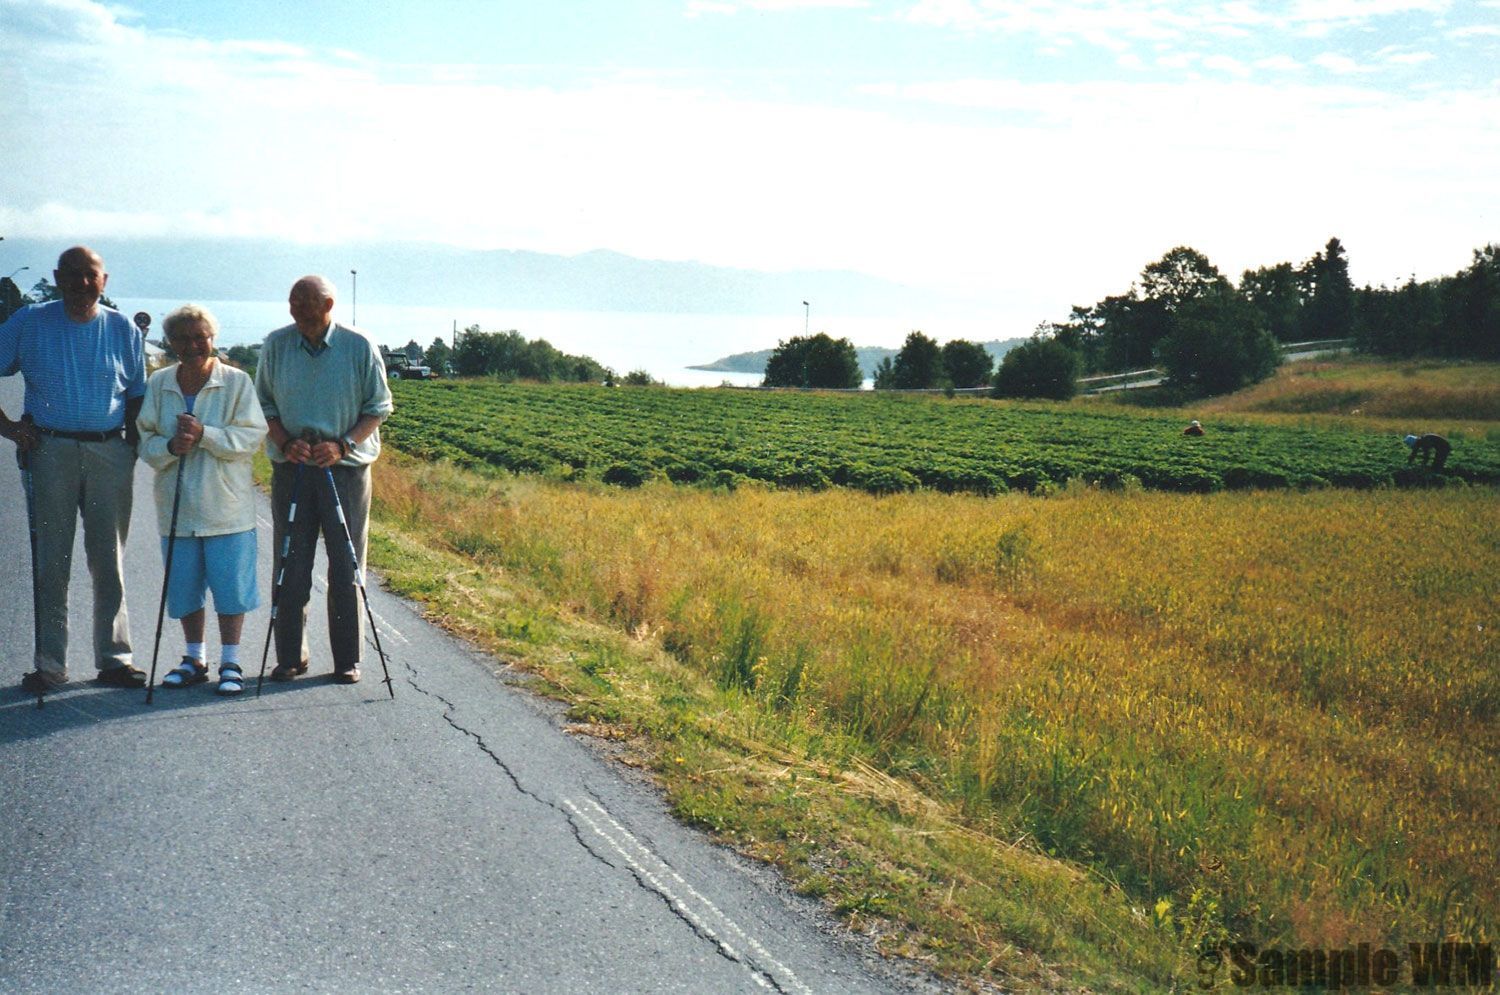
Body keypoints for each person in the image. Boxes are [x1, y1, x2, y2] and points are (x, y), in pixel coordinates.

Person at [0, 246, 147, 692]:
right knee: (51, 560)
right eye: (73, 274)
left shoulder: (123, 328)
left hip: (109, 452)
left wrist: (134, 448)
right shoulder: (29, 321)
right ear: (57, 277)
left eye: (91, 275)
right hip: (49, 450)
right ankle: (49, 665)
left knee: (109, 561)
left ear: (105, 281)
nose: (83, 283)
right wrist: (8, 428)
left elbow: (137, 395)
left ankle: (115, 659)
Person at [255, 275, 393, 684]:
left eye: (307, 303)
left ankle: (347, 659)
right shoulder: (277, 344)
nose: (298, 309)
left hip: (345, 471)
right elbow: (263, 403)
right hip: (291, 468)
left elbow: (378, 407)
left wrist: (344, 445)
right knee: (290, 563)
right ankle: (289, 658)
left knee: (346, 566)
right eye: (293, 301)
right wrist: (284, 441)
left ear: (329, 304)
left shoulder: (357, 345)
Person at [137, 305, 267, 695]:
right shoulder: (159, 383)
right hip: (176, 506)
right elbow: (144, 440)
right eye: (182, 338)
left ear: (212, 338)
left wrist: (205, 434)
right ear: (171, 342)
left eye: (200, 337)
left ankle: (231, 661)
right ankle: (194, 658)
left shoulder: (237, 382)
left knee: (230, 588)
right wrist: (171, 446)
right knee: (184, 587)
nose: (192, 345)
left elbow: (250, 439)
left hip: (226, 506)